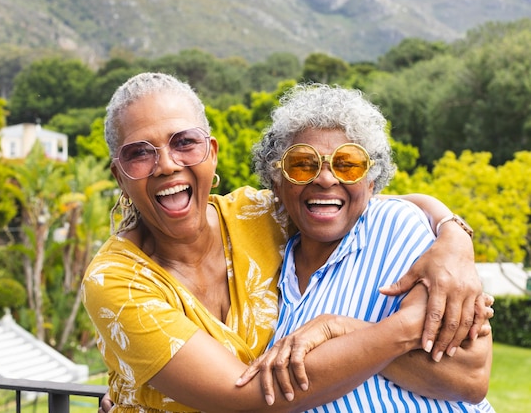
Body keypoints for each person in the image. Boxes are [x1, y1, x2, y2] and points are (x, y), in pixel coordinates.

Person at [81, 72, 491, 413]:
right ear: (119, 174)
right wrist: (396, 328)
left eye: (184, 142)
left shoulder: (255, 215)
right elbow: (243, 397)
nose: (167, 164)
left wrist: (453, 235)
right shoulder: (116, 280)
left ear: (211, 152)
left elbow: (352, 200)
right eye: (140, 153)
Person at [240, 82, 494, 411]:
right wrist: (377, 342)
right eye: (303, 163)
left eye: (348, 164)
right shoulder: (267, 271)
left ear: (371, 181)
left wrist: (341, 330)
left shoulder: (396, 226)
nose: (326, 179)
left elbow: (469, 377)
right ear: (276, 180)